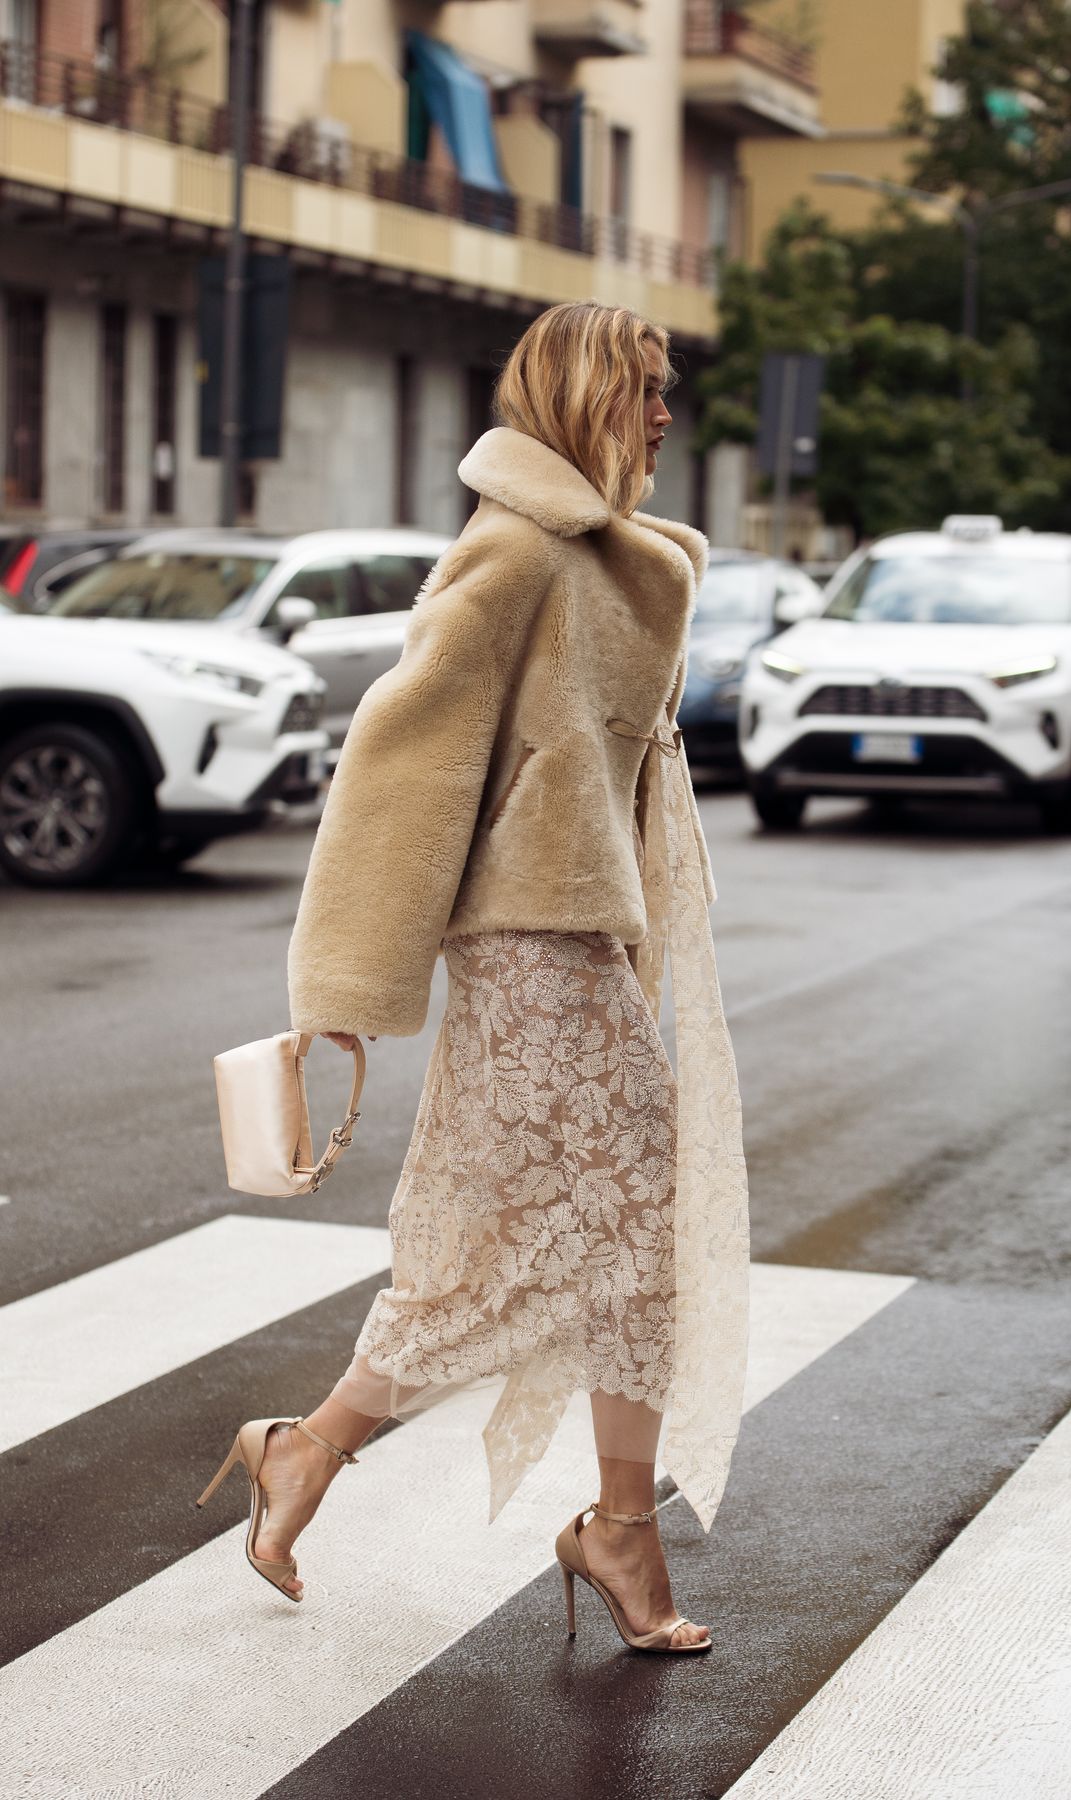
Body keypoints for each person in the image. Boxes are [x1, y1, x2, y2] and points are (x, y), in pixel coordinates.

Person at [198, 301, 750, 1655]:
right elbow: (403, 762)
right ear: (581, 395)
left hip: (582, 933)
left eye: (666, 389)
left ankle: (350, 1462)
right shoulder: (513, 553)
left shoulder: (607, 558)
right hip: (523, 940)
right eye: (643, 389)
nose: (665, 413)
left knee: (586, 1236)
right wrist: (346, 979)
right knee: (618, 1214)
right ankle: (579, 1522)